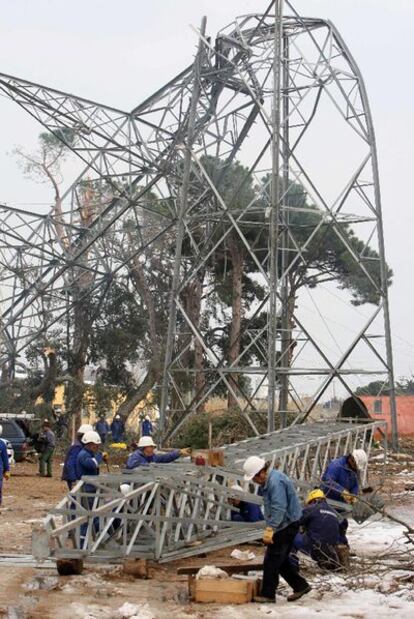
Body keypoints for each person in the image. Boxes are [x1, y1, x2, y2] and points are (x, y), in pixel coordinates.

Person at [243, 456, 311, 604]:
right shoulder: (271, 480)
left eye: (254, 478)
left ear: (261, 472)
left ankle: (268, 595)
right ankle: (301, 586)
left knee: (271, 560)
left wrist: (270, 529)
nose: (254, 481)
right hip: (286, 523)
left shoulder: (275, 482)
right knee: (281, 560)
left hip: (285, 525)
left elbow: (279, 508)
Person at [321, 449, 367, 544]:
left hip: (341, 502)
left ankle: (341, 546)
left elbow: (355, 484)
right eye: (355, 465)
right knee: (333, 523)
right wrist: (342, 491)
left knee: (342, 524)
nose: (356, 468)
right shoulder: (336, 466)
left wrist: (353, 496)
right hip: (327, 499)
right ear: (352, 459)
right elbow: (328, 482)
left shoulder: (354, 469)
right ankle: (332, 546)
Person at [291, 489, 340, 570]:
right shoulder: (334, 512)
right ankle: (328, 563)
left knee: (290, 535)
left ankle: (292, 567)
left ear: (312, 500)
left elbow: (295, 521)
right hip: (331, 551)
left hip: (315, 548)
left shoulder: (311, 509)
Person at [126, 436, 190, 469]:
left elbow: (164, 457)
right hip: (133, 484)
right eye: (151, 446)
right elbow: (134, 466)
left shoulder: (151, 457)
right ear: (144, 447)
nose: (153, 448)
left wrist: (179, 452)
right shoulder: (135, 457)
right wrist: (152, 466)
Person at [61, 424, 93, 490]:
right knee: (77, 498)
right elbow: (70, 464)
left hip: (77, 477)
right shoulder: (77, 447)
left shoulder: (81, 446)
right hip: (74, 478)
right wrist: (73, 480)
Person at [0, 424, 11, 507]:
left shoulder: (2, 444)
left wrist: (7, 470)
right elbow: (5, 459)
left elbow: (5, 458)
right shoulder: (2, 444)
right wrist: (7, 470)